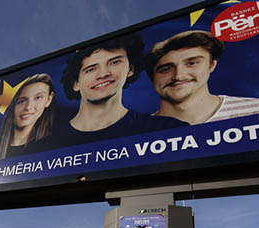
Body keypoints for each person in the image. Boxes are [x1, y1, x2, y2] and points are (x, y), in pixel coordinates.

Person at [43, 34, 186, 149]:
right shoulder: (45, 145)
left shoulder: (166, 130)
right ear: (76, 83)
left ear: (130, 69)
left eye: (114, 62)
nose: (103, 74)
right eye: (91, 69)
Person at [145, 30, 259, 125]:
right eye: (165, 69)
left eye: (192, 63)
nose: (178, 75)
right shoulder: (133, 134)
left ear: (211, 65)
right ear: (152, 77)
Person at [0, 73, 56, 163]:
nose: (28, 107)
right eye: (21, 101)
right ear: (13, 105)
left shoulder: (52, 150)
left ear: (49, 99)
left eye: (38, 98)